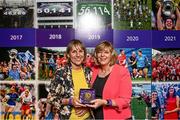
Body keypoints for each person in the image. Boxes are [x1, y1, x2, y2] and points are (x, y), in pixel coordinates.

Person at [47, 40, 92, 119]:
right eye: (74, 52)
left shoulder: (88, 72)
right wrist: (69, 101)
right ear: (68, 54)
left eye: (81, 51)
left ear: (84, 53)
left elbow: (92, 96)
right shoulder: (61, 73)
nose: (78, 55)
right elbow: (51, 98)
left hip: (88, 117)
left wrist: (88, 107)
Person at [87, 41, 132, 119]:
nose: (102, 55)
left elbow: (125, 100)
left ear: (111, 55)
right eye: (99, 52)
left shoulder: (122, 71)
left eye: (106, 52)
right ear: (96, 55)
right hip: (96, 116)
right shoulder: (93, 70)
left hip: (117, 117)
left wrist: (105, 102)